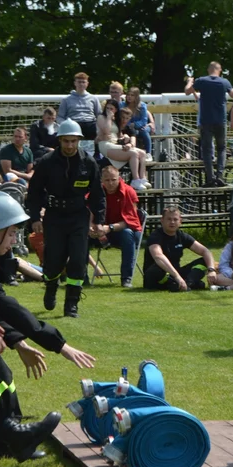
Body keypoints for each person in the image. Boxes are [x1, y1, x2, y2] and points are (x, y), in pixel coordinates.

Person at [0, 193, 97, 455]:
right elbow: (6, 307)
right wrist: (60, 346)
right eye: (12, 233)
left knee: (0, 374)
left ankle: (1, 443)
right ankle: (6, 438)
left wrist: (18, 342)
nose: (16, 240)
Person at [26, 119, 105, 317]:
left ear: (79, 140)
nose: (70, 145)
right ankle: (51, 286)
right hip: (54, 216)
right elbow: (34, 192)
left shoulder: (88, 162)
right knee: (53, 260)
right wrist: (35, 217)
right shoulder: (46, 162)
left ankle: (72, 304)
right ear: (59, 140)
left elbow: (97, 194)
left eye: (73, 141)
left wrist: (99, 221)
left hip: (78, 216)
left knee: (78, 260)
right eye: (66, 141)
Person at [184, 62, 233, 187]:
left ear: (209, 69)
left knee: (207, 150)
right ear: (220, 70)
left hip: (205, 121)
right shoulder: (224, 82)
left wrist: (190, 81)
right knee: (221, 148)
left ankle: (210, 178)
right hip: (220, 120)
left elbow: (187, 92)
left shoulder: (201, 81)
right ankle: (220, 176)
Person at [142, 206, 218, 291]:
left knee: (204, 261)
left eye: (175, 219)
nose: (172, 222)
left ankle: (188, 283)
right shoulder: (155, 236)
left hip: (176, 274)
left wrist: (211, 270)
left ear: (180, 221)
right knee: (157, 268)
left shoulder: (182, 236)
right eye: (169, 219)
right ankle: (181, 284)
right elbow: (158, 256)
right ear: (162, 220)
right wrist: (177, 277)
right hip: (157, 276)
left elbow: (205, 251)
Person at [95, 165, 142, 287]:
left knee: (127, 233)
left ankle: (126, 278)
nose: (110, 183)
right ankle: (81, 277)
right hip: (101, 231)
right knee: (79, 232)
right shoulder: (96, 192)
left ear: (119, 178)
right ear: (102, 180)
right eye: (107, 180)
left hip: (128, 233)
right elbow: (87, 212)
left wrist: (109, 228)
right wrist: (91, 227)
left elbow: (131, 221)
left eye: (113, 180)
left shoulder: (129, 191)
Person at [97, 100, 150, 190]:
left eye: (111, 108)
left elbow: (118, 135)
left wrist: (125, 137)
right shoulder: (102, 117)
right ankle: (135, 180)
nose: (109, 110)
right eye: (107, 108)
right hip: (105, 145)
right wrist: (109, 117)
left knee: (142, 153)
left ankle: (142, 178)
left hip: (114, 144)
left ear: (116, 110)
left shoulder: (116, 120)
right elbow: (106, 131)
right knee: (133, 153)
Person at [59, 72, 100, 141]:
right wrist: (65, 124)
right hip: (73, 123)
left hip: (90, 123)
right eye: (79, 82)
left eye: (83, 82)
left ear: (87, 83)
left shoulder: (93, 98)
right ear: (75, 83)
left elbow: (99, 114)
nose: (81, 84)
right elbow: (60, 116)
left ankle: (94, 151)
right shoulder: (66, 99)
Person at [124, 87, 155, 154]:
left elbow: (144, 121)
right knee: (133, 133)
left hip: (144, 126)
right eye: (128, 95)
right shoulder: (123, 105)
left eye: (132, 95)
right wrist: (130, 125)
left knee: (144, 131)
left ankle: (148, 153)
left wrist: (134, 124)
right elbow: (123, 118)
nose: (129, 97)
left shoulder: (142, 105)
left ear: (136, 97)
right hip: (129, 127)